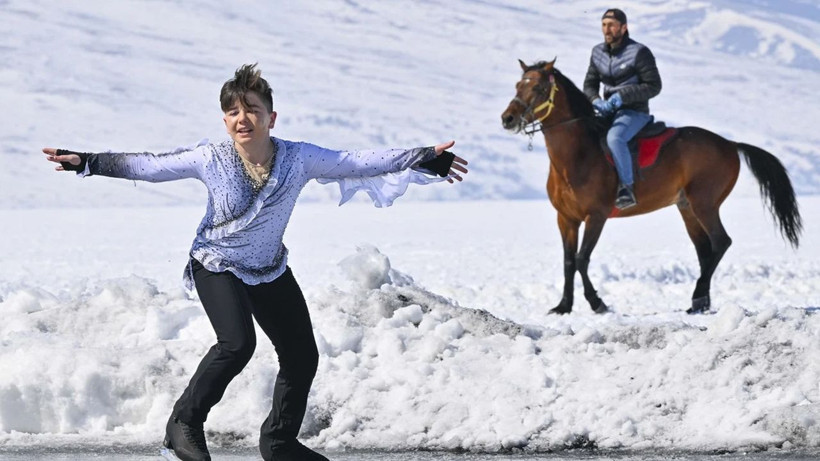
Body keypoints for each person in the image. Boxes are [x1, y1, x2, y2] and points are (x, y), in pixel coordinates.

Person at [43, 63, 468, 461]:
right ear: (225, 121)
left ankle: (280, 441)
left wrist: (422, 156)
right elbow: (151, 167)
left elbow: (355, 160)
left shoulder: (299, 157)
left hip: (268, 267)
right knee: (238, 344)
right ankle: (183, 423)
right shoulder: (211, 157)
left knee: (302, 355)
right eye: (232, 112)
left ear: (271, 117)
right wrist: (91, 163)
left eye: (252, 110)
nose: (242, 119)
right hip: (216, 263)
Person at [583, 8, 662, 210]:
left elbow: (654, 86)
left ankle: (626, 188)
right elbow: (590, 84)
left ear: (624, 27)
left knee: (615, 138)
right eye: (603, 25)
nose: (606, 29)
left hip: (634, 113)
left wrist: (622, 96)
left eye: (611, 25)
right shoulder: (597, 52)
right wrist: (594, 100)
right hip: (606, 112)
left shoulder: (639, 52)